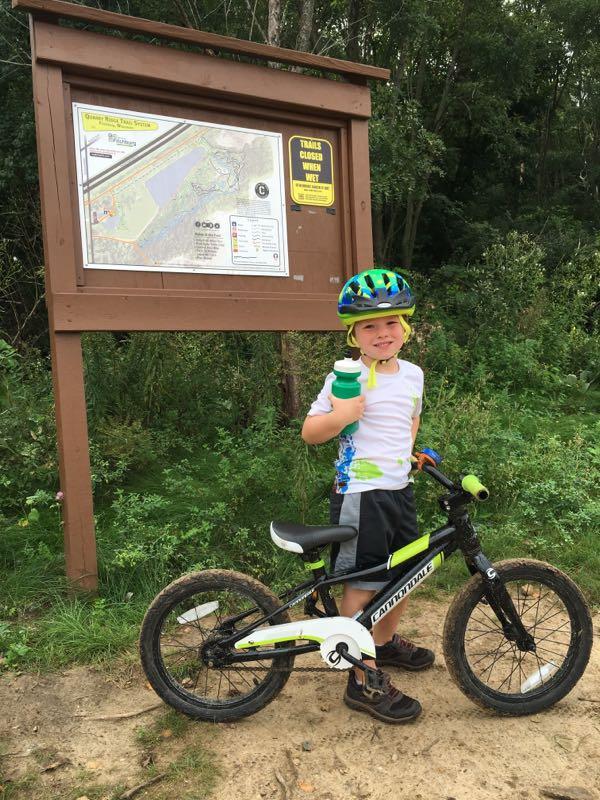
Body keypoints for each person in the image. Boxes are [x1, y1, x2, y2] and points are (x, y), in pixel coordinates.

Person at [301, 268, 434, 724]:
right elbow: (310, 433)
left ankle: (383, 644)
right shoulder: (346, 376)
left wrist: (410, 453)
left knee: (405, 575)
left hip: (399, 491)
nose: (382, 333)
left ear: (406, 328)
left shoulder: (413, 374)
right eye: (370, 326)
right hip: (361, 493)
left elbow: (409, 418)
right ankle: (361, 677)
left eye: (392, 322)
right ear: (353, 335)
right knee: (363, 582)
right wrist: (342, 415)